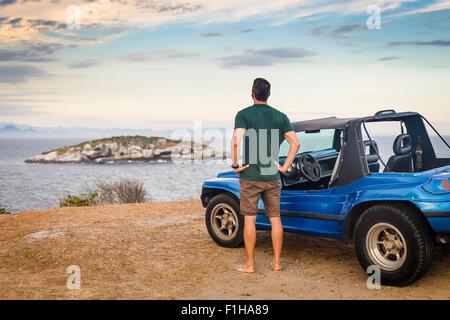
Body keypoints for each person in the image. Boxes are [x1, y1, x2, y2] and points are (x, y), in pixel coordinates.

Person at [232, 78, 300, 273]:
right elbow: (295, 144)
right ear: (268, 95)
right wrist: (285, 167)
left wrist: (236, 165)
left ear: (252, 94)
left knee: (250, 220)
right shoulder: (280, 116)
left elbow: (236, 141)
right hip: (272, 176)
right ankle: (277, 263)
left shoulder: (243, 115)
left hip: (250, 176)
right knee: (275, 219)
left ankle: (250, 265)